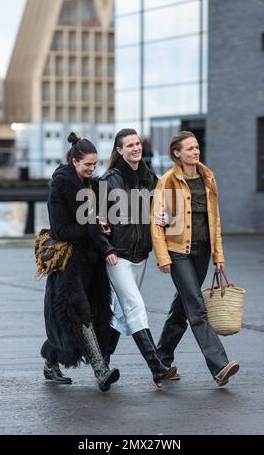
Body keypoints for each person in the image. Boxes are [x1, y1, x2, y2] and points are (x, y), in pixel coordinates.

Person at [151, 131, 240, 386]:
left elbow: (215, 220)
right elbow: (156, 223)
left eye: (197, 147)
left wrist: (218, 255)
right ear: (176, 153)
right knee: (197, 309)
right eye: (189, 148)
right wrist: (163, 257)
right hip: (179, 253)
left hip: (202, 251)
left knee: (182, 309)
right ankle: (220, 366)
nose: (195, 151)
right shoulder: (167, 181)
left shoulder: (208, 177)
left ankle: (161, 360)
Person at [98, 128, 177, 388]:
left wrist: (165, 218)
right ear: (119, 150)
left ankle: (102, 364)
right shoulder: (108, 180)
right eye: (129, 145)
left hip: (140, 255)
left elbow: (161, 212)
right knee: (134, 306)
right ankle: (156, 366)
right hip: (116, 256)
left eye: (137, 144)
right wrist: (105, 242)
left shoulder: (150, 179)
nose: (135, 148)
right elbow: (95, 219)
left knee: (121, 313)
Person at [40, 132, 120, 392]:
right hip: (68, 264)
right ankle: (101, 372)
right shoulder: (61, 187)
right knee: (81, 313)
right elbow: (61, 230)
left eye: (95, 164)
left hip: (90, 262)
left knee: (82, 316)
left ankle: (50, 362)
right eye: (88, 164)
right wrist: (90, 227)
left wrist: (99, 227)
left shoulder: (90, 186)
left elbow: (92, 222)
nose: (92, 168)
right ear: (74, 161)